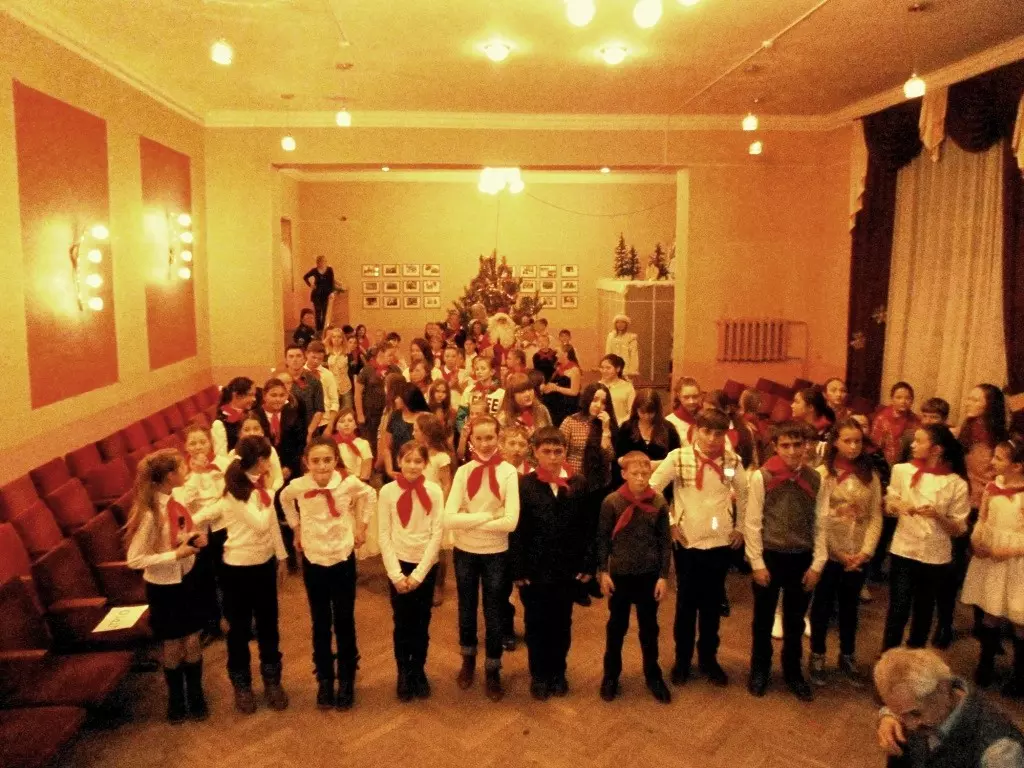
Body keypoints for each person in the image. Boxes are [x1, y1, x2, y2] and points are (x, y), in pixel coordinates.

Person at [191, 437, 289, 715]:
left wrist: (281, 556)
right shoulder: (235, 492)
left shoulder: (259, 487)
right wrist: (270, 492)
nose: (270, 463)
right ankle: (242, 684)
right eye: (267, 458)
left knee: (268, 625)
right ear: (259, 461)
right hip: (237, 569)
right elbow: (260, 523)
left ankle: (272, 680)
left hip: (264, 565)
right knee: (238, 629)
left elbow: (272, 525)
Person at [650, 407, 746, 687]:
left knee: (712, 603)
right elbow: (653, 489)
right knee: (686, 603)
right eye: (707, 432)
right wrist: (670, 523)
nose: (712, 439)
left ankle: (708, 658)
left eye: (718, 433)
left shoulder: (731, 460)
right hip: (687, 540)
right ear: (696, 431)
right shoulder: (678, 458)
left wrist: (740, 526)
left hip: (719, 538)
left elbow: (743, 493)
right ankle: (682, 660)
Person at [279, 437, 374, 710]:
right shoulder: (299, 485)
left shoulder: (347, 483)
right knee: (320, 621)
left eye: (327, 460)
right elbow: (284, 499)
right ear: (306, 462)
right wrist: (296, 528)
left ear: (335, 460)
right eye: (316, 461)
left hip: (342, 557)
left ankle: (347, 677)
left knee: (344, 619)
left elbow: (370, 495)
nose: (322, 466)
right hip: (314, 558)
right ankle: (324, 678)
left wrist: (362, 526)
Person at [745, 421, 828, 702]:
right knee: (763, 618)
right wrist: (757, 562)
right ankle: (760, 668)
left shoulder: (816, 478)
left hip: (802, 557)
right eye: (785, 446)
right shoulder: (762, 477)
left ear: (806, 446)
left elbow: (821, 523)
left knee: (795, 621)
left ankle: (793, 670)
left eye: (797, 445)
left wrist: (817, 564)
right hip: (770, 555)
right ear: (775, 447)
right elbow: (753, 522)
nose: (792, 451)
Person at [125, 449, 209, 722]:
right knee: (173, 644)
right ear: (170, 476)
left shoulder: (176, 500)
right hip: (164, 586)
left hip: (188, 578)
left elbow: (179, 531)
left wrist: (192, 538)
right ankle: (176, 699)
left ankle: (196, 694)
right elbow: (135, 559)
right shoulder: (150, 514)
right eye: (182, 468)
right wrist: (174, 555)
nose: (186, 471)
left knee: (193, 639)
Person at [510, 427, 591, 700]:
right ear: (535, 452)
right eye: (547, 451)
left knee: (562, 624)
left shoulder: (578, 483)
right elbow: (518, 530)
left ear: (565, 451)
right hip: (535, 570)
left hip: (566, 570)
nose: (553, 457)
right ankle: (539, 674)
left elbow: (586, 527)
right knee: (536, 624)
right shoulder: (525, 485)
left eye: (558, 451)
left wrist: (587, 564)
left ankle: (558, 671)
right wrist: (518, 568)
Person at [443, 415, 520, 701]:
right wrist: (489, 515)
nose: (485, 443)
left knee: (494, 611)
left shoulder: (508, 472)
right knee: (466, 608)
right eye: (479, 438)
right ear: (471, 440)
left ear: (498, 437)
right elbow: (448, 518)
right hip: (465, 551)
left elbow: (511, 522)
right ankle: (468, 659)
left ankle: (493, 668)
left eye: (490, 437)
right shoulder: (463, 472)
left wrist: (469, 519)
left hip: (496, 552)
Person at [808, 418, 883, 687]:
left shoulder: (870, 475)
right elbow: (818, 519)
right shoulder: (822, 475)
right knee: (822, 604)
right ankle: (817, 653)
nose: (853, 447)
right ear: (835, 443)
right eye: (847, 441)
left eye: (858, 441)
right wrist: (836, 552)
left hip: (857, 552)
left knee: (850, 606)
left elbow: (875, 516)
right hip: (830, 551)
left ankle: (847, 654)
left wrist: (865, 552)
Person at [882, 424, 969, 652]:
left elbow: (959, 529)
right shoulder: (902, 471)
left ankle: (915, 655)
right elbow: (889, 503)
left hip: (935, 554)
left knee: (924, 608)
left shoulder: (956, 483)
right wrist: (899, 506)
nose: (913, 445)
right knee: (898, 607)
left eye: (919, 441)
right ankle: (889, 654)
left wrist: (938, 516)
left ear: (936, 449)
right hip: (904, 548)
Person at [936, 384, 1010, 648]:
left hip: (990, 507)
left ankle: (984, 626)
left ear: (990, 405)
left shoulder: (1002, 439)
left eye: (975, 399)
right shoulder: (962, 434)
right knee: (952, 569)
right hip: (963, 505)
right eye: (969, 397)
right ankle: (944, 624)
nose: (968, 402)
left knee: (984, 567)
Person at [596, 452, 672, 703]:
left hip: (648, 575)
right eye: (635, 473)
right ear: (624, 474)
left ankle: (653, 675)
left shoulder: (658, 502)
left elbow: (664, 542)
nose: (640, 478)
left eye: (645, 473)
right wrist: (603, 572)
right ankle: (611, 676)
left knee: (649, 628)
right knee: (616, 628)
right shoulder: (612, 502)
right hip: (620, 575)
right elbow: (603, 538)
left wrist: (663, 576)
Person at [874, 648, 1024, 768]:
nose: (910, 725)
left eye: (915, 713)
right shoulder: (921, 702)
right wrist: (887, 716)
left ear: (943, 689)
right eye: (900, 714)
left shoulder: (999, 754)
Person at [378, 440, 445, 701]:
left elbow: (437, 533)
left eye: (418, 461)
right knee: (402, 621)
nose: (413, 466)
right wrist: (396, 575)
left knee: (422, 620)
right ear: (399, 461)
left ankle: (418, 669)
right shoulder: (388, 492)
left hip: (425, 565)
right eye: (408, 460)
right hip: (398, 563)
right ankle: (403, 672)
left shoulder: (434, 491)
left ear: (425, 464)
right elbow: (384, 534)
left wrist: (419, 574)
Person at [961, 438, 1024, 693]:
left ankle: (1020, 674)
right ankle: (985, 663)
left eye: (999, 458)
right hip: (991, 558)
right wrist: (977, 540)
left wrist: (1006, 550)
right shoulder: (992, 487)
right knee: (991, 610)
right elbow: (983, 519)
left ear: (1017, 466)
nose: (992, 461)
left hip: (1017, 562)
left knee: (1019, 615)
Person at [560, 383, 618, 605]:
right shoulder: (571, 421)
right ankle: (575, 582)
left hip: (599, 485)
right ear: (587, 399)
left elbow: (610, 456)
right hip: (574, 484)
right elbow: (561, 452)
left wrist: (606, 430)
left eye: (603, 401)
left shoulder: (606, 424)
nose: (599, 405)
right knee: (577, 533)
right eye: (595, 399)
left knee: (596, 532)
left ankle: (590, 576)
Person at [414, 413, 454, 607]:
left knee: (437, 546)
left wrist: (440, 506)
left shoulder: (441, 457)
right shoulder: (417, 453)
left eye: (416, 430)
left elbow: (446, 484)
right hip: (417, 503)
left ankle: (438, 585)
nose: (413, 433)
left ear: (427, 433)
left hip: (434, 505)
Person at [614, 390, 681, 483]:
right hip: (632, 483)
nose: (646, 416)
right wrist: (635, 464)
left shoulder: (668, 429)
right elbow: (618, 457)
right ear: (636, 409)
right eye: (642, 412)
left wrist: (658, 464)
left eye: (650, 412)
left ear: (657, 410)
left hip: (660, 482)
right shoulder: (626, 428)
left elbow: (677, 458)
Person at [254, 377, 306, 483]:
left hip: (290, 470)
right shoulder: (255, 416)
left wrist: (289, 467)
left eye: (282, 395)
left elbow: (300, 445)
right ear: (264, 396)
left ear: (286, 396)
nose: (278, 399)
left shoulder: (293, 414)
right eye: (273, 395)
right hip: (263, 470)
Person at [355, 342, 401, 453]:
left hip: (388, 412)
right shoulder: (367, 370)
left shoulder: (395, 370)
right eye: (390, 355)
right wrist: (360, 414)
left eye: (393, 355)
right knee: (370, 441)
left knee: (386, 441)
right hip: (370, 413)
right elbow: (358, 393)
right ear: (380, 354)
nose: (392, 358)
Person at [383, 383, 430, 480]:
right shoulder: (395, 416)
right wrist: (389, 470)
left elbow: (430, 447)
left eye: (398, 398)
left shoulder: (425, 418)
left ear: (407, 400)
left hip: (418, 468)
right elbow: (387, 447)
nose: (395, 400)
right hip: (398, 468)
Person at [872, 382, 919, 468]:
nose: (903, 401)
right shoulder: (882, 419)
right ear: (892, 399)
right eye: (898, 397)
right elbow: (875, 447)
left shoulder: (915, 419)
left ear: (912, 400)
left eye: (907, 398)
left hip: (909, 464)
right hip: (887, 465)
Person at [284, 344, 325, 440]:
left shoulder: (314, 381)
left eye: (298, 356)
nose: (295, 359)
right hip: (286, 432)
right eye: (291, 356)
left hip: (309, 431)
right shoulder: (279, 380)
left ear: (304, 359)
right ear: (286, 360)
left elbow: (319, 410)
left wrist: (309, 432)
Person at [498, 373, 553, 438]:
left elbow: (551, 434)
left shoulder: (541, 409)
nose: (528, 394)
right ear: (512, 396)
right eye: (522, 392)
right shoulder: (504, 417)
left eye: (530, 389)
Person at [791, 387, 836, 467]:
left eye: (796, 402)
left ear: (810, 408)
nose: (792, 405)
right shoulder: (797, 426)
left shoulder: (829, 432)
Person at [211, 377, 255, 457]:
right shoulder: (220, 423)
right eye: (250, 395)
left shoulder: (250, 415)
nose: (254, 399)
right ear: (236, 395)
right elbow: (221, 457)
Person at [541, 344, 581, 427]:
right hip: (556, 403)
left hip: (566, 405)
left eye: (558, 353)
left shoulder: (574, 370)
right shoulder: (559, 367)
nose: (556, 355)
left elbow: (574, 392)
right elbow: (556, 382)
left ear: (565, 354)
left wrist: (556, 388)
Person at [305, 341, 339, 435]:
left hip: (324, 422)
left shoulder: (328, 375)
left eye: (319, 359)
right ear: (306, 354)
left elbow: (334, 401)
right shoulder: (300, 373)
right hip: (305, 422)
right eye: (313, 357)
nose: (316, 361)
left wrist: (330, 426)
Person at [332, 407, 373, 480]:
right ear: (336, 427)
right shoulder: (331, 444)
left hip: (358, 482)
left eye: (350, 421)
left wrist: (356, 484)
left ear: (355, 425)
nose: (346, 424)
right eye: (342, 421)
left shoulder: (363, 443)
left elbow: (366, 472)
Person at [304, 256, 338, 334]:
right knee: (318, 313)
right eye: (322, 261)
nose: (323, 263)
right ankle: (319, 331)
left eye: (325, 261)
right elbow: (305, 277)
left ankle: (323, 330)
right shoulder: (314, 270)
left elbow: (331, 281)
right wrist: (310, 285)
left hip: (326, 295)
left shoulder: (329, 270)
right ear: (318, 262)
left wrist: (332, 292)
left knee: (325, 313)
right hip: (316, 294)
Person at [599, 354, 636, 425]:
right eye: (602, 368)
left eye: (608, 368)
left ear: (618, 369)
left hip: (621, 426)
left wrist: (620, 423)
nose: (604, 371)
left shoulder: (627, 387)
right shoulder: (597, 386)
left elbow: (632, 411)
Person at [666, 376, 702, 447]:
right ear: (679, 397)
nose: (691, 401)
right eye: (686, 397)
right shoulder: (670, 422)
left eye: (695, 396)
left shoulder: (707, 418)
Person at [605, 314, 639, 378]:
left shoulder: (631, 338)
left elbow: (634, 355)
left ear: (626, 324)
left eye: (622, 322)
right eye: (618, 322)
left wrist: (632, 371)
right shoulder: (611, 336)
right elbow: (608, 352)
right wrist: (607, 366)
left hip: (626, 367)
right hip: (613, 366)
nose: (620, 324)